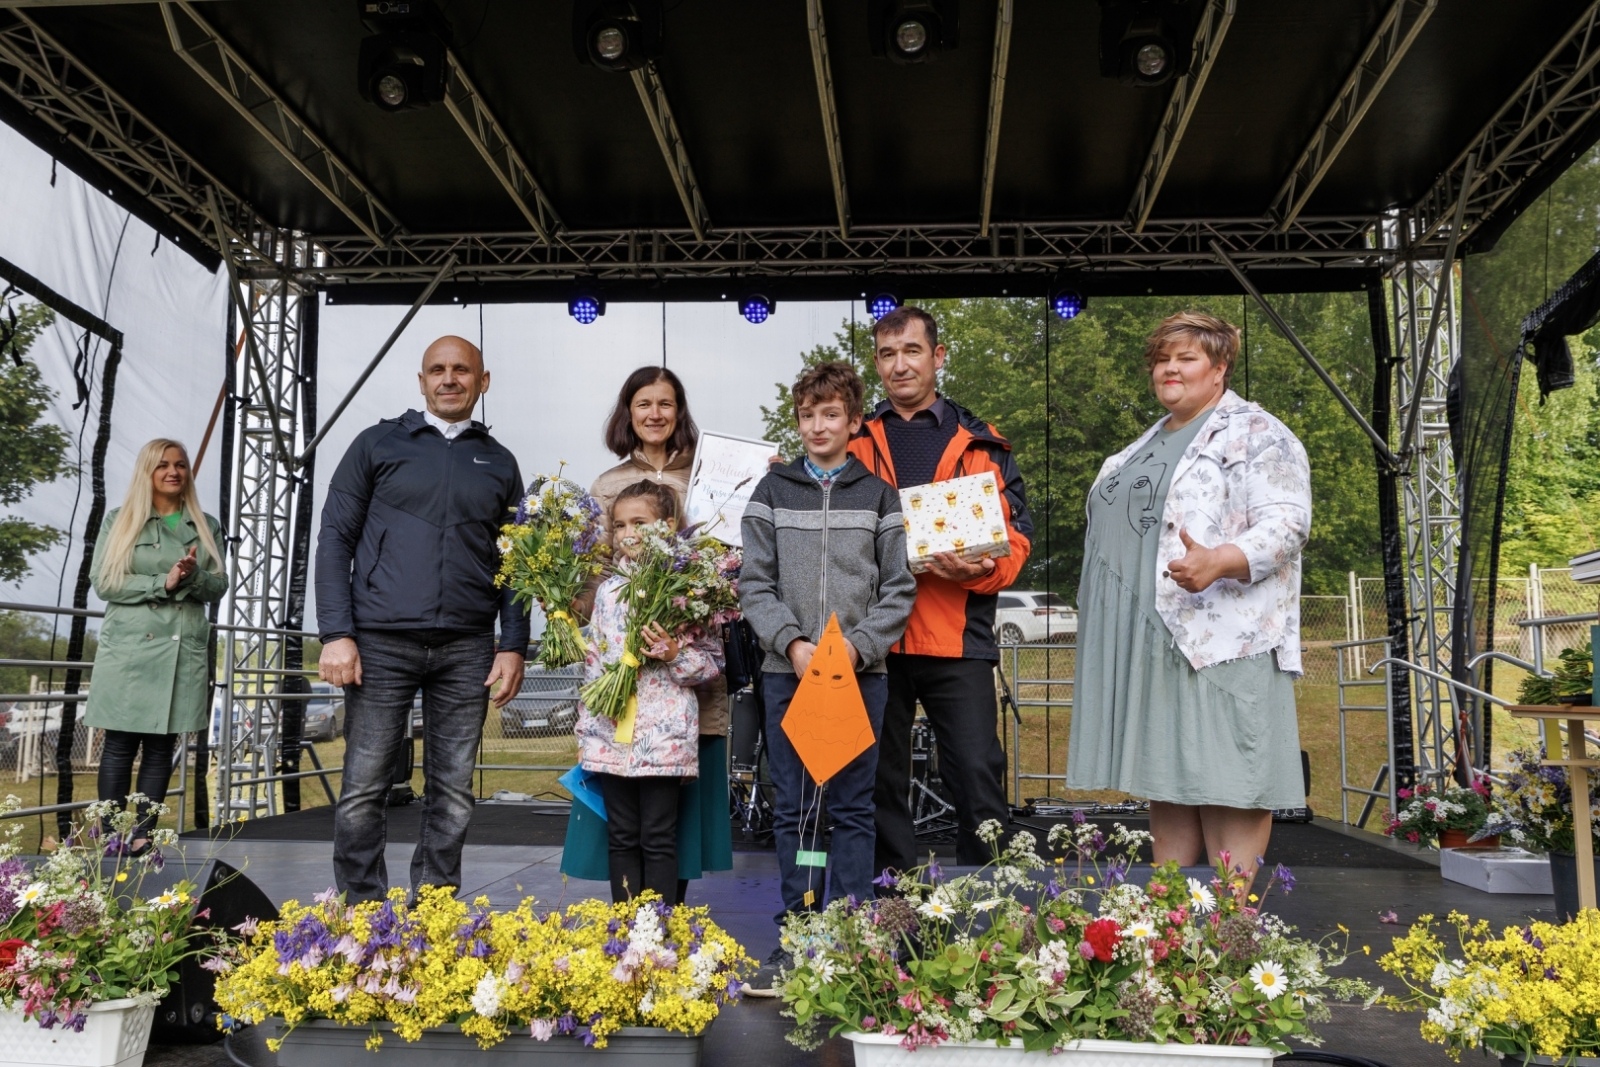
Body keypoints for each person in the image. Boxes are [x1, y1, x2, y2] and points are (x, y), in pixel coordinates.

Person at [1065, 311, 1311, 881]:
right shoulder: (1145, 443)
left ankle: (1229, 927)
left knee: (1232, 779)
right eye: (1161, 359)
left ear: (1220, 368)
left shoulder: (1258, 432)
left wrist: (1220, 559)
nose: (1169, 368)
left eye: (1187, 357)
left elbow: (1288, 525)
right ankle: (1173, 927)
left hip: (1223, 639)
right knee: (1169, 776)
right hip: (1155, 640)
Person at [315, 335, 529, 901]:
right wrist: (337, 633)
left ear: (483, 382)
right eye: (438, 369)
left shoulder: (500, 462)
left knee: (454, 791)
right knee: (364, 786)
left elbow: (520, 562)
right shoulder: (375, 444)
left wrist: (514, 645)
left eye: (462, 370)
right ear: (421, 380)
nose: (449, 379)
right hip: (380, 642)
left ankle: (433, 908)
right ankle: (363, 911)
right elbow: (334, 540)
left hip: (467, 648)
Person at [740, 361, 917, 990]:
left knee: (851, 807)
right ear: (798, 421)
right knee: (794, 807)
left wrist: (857, 649)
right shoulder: (771, 492)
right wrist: (790, 643)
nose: (819, 426)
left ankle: (852, 932)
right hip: (786, 674)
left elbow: (899, 589)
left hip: (859, 677)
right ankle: (800, 930)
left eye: (831, 414)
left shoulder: (878, 496)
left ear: (853, 421)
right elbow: (753, 583)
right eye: (808, 415)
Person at [847, 306, 1033, 873]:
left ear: (938, 357)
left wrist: (973, 571)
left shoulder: (986, 446)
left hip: (958, 640)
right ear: (876, 364)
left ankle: (989, 904)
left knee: (978, 775)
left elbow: (1017, 545)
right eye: (886, 354)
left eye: (911, 351)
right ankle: (892, 906)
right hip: (874, 641)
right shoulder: (851, 442)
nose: (899, 365)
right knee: (878, 780)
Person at [562, 365, 733, 899]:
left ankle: (664, 927)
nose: (655, 414)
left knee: (668, 830)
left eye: (666, 403)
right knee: (625, 832)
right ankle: (631, 936)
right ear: (628, 413)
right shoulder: (606, 485)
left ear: (679, 411)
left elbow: (719, 571)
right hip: (615, 719)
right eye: (643, 404)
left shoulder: (709, 477)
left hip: (676, 711)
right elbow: (592, 584)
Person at [573, 480, 724, 902]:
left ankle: (656, 931)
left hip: (664, 737)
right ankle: (626, 934)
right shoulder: (607, 590)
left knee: (658, 836)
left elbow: (711, 664)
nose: (627, 533)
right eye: (619, 525)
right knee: (621, 836)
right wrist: (587, 727)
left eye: (639, 522)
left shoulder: (689, 588)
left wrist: (675, 654)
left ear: (668, 525)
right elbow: (595, 664)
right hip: (610, 734)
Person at [86, 439, 228, 850]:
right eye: (163, 465)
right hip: (130, 650)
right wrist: (161, 583)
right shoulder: (120, 520)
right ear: (147, 472)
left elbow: (218, 585)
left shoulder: (205, 524)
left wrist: (190, 577)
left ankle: (142, 839)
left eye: (180, 465)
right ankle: (112, 839)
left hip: (180, 649)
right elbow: (105, 582)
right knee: (119, 744)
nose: (173, 472)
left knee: (161, 746)